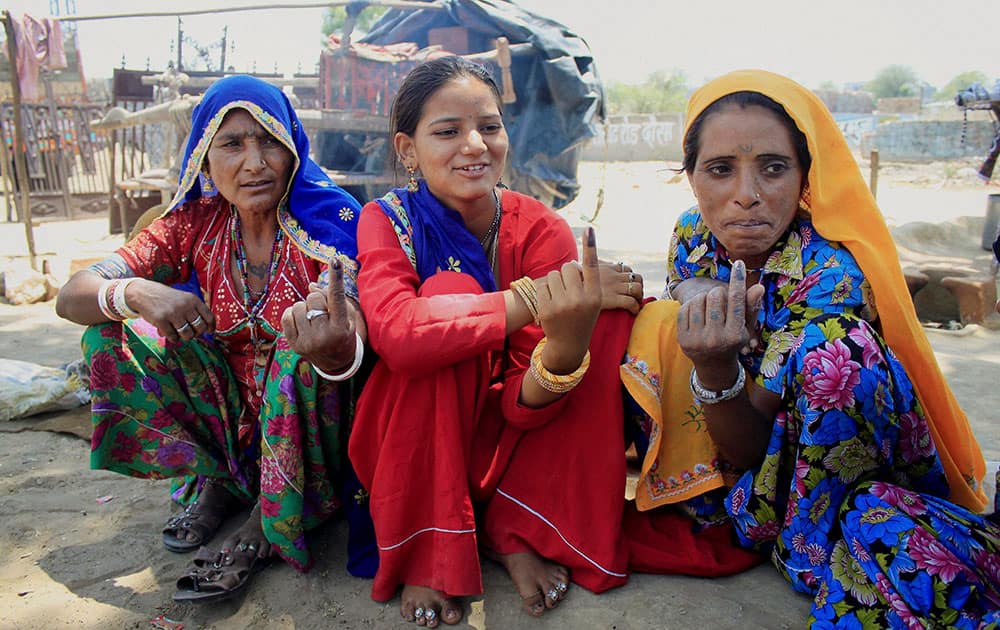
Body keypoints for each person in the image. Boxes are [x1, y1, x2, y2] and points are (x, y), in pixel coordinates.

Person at [621, 69, 1000, 627]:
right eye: (720, 170)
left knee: (834, 355)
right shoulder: (693, 233)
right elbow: (682, 282)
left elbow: (752, 444)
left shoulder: (830, 271)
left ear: (804, 180)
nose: (745, 196)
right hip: (748, 433)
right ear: (692, 177)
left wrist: (715, 363)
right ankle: (704, 491)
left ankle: (814, 543)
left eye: (773, 168)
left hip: (810, 458)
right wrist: (690, 291)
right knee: (647, 316)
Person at [347, 56, 646, 627]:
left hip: (516, 426)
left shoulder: (540, 229)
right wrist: (534, 299)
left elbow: (522, 396)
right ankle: (430, 547)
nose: (475, 145)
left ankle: (508, 526)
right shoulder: (385, 222)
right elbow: (403, 336)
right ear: (407, 150)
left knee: (607, 319)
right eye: (447, 132)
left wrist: (565, 341)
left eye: (489, 126)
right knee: (447, 291)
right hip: (415, 429)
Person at [55, 75, 366, 602]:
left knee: (298, 350)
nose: (255, 162)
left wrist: (330, 330)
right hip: (230, 415)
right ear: (203, 156)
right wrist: (137, 292)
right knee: (114, 335)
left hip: (316, 427)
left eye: (269, 140)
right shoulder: (191, 224)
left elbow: (349, 317)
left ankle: (268, 520)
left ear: (293, 147)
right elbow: (72, 296)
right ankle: (219, 481)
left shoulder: (330, 221)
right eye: (232, 144)